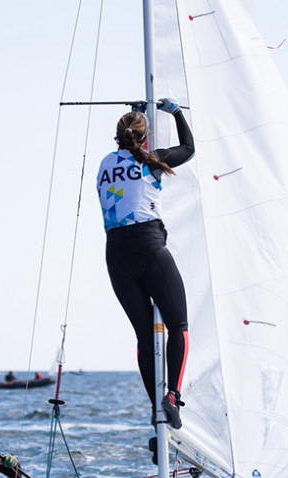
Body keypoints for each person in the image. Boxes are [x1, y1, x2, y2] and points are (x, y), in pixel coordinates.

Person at [97, 98, 194, 429]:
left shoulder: (104, 164)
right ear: (144, 138)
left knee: (143, 335)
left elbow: (127, 172)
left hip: (116, 254)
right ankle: (173, 397)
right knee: (177, 327)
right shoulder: (153, 160)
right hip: (149, 247)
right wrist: (176, 112)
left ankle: (156, 407)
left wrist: (140, 119)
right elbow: (188, 148)